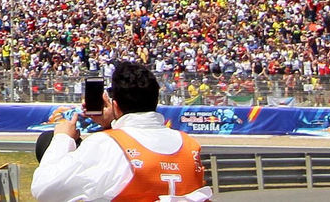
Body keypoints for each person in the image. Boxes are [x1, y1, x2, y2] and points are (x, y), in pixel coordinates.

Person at [33, 61, 208, 202]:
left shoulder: (105, 144)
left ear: (115, 105)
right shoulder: (190, 145)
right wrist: (111, 124)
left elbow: (44, 189)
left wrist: (62, 138)